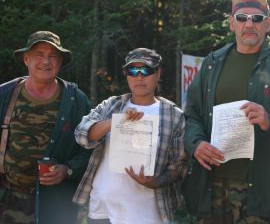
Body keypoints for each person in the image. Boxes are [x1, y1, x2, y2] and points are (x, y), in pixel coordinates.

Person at [183, 0, 270, 223]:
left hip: (266, 190)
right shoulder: (211, 64)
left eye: (257, 19)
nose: (249, 24)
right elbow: (192, 116)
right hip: (214, 189)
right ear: (232, 23)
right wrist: (196, 144)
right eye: (242, 17)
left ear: (268, 24)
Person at [73, 48, 186, 224]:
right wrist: (115, 122)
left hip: (146, 214)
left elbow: (179, 165)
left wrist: (154, 182)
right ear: (126, 75)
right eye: (133, 71)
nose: (139, 77)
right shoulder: (111, 105)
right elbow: (81, 135)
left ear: (158, 73)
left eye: (146, 70)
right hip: (102, 210)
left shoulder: (174, 115)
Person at [0, 31, 92, 224]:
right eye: (39, 55)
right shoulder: (5, 95)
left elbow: (92, 150)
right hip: (8, 201)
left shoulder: (76, 100)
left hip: (56, 204)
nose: (46, 61)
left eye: (52, 56)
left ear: (60, 62)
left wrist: (68, 169)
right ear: (26, 59)